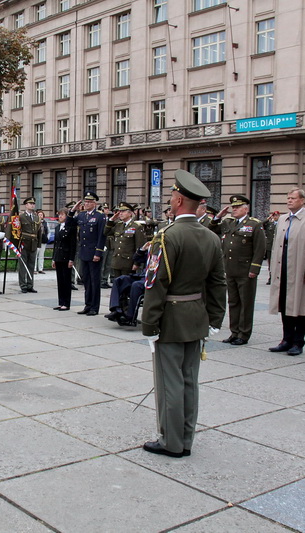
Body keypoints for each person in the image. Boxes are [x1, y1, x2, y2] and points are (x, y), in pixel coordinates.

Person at [141, 169, 226, 458]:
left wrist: (149, 324)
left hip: (171, 319)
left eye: (171, 197)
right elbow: (217, 283)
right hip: (197, 317)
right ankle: (186, 438)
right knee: (190, 379)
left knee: (170, 383)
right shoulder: (211, 237)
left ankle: (171, 442)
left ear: (178, 201)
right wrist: (215, 319)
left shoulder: (167, 236)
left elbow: (155, 284)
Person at [268, 188, 305, 356]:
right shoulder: (284, 219)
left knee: (300, 306)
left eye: (293, 198)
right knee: (285, 305)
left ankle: (298, 342)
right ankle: (286, 339)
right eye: (288, 198)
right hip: (283, 269)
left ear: (302, 201)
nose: (289, 201)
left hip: (300, 269)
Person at [210, 195, 266, 345]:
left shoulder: (254, 224)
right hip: (230, 269)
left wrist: (255, 268)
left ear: (245, 209)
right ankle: (234, 332)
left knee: (245, 303)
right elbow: (211, 228)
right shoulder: (228, 222)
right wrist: (217, 217)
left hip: (245, 270)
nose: (233, 210)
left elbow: (260, 248)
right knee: (233, 302)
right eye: (233, 207)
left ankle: (244, 333)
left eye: (237, 207)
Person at [71, 192, 106, 315]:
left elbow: (102, 236)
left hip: (94, 253)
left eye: (89, 202)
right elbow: (70, 223)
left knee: (94, 281)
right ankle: (88, 305)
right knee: (86, 280)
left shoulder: (100, 216)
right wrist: (72, 211)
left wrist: (98, 253)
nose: (86, 204)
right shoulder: (81, 216)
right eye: (85, 201)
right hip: (84, 252)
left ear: (94, 203)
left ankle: (94, 307)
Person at [104, 243, 150, 326]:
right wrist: (142, 249)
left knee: (136, 285)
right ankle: (116, 309)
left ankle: (130, 316)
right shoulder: (153, 249)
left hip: (151, 279)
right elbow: (136, 258)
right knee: (119, 280)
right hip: (142, 276)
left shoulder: (163, 252)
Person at [104, 201, 145, 278]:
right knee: (117, 286)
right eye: (120, 211)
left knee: (126, 286)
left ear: (130, 213)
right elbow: (106, 232)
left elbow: (139, 246)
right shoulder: (118, 225)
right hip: (117, 261)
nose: (120, 213)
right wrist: (111, 220)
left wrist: (136, 263)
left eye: (123, 211)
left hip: (128, 262)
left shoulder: (136, 226)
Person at [51, 208, 77, 310]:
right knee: (60, 281)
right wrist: (53, 258)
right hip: (58, 256)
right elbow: (56, 244)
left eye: (62, 215)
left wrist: (71, 259)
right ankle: (60, 301)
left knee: (66, 281)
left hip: (66, 257)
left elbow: (73, 244)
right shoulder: (58, 227)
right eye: (59, 215)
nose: (60, 217)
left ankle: (66, 303)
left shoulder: (70, 228)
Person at [17, 197, 44, 293]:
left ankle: (30, 284)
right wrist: (17, 244)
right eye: (30, 203)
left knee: (31, 265)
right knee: (23, 266)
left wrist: (39, 244)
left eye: (33, 204)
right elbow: (17, 230)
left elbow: (39, 232)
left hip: (33, 243)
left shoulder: (37, 217)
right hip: (24, 243)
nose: (32, 205)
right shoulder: (21, 217)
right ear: (26, 205)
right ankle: (23, 285)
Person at [263, 211, 279, 284]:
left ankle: (278, 278)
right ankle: (271, 277)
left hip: (278, 246)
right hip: (270, 246)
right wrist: (268, 218)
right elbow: (262, 224)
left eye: (276, 215)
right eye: (274, 215)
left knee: (278, 263)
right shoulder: (269, 224)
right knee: (270, 263)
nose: (275, 217)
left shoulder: (281, 224)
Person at [35, 210, 49, 274]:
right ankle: (34, 269)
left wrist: (47, 238)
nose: (40, 216)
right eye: (39, 215)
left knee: (41, 255)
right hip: (37, 241)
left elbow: (48, 231)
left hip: (43, 241)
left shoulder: (45, 223)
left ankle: (40, 268)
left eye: (41, 215)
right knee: (35, 255)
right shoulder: (35, 222)